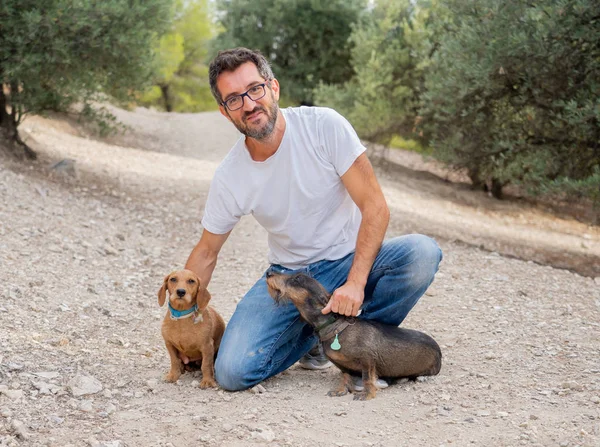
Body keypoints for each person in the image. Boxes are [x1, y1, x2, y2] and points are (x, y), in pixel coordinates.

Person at [185, 47, 442, 391]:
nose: (248, 104)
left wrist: (355, 282)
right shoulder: (231, 175)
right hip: (290, 279)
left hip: (350, 261)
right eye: (234, 99)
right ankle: (320, 337)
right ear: (224, 111)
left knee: (422, 254)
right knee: (232, 372)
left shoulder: (324, 127)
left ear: (273, 87)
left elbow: (375, 206)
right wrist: (184, 321)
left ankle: (352, 346)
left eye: (254, 89)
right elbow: (206, 251)